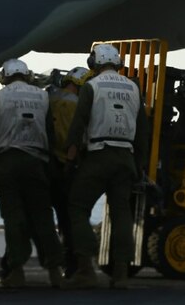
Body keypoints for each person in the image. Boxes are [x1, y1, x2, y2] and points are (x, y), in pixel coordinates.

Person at [66, 43, 148, 289]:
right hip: (126, 158)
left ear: (95, 63)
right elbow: (143, 132)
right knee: (122, 212)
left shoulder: (91, 86)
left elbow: (78, 125)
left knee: (77, 206)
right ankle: (121, 274)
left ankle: (85, 269)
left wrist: (69, 161)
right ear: (118, 63)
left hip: (98, 156)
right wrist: (139, 167)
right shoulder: (134, 88)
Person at [0, 58, 64, 288]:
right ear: (26, 76)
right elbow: (50, 134)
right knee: (43, 218)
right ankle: (55, 271)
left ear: (5, 77)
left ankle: (16, 272)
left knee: (14, 219)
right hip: (37, 163)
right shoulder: (43, 97)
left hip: (7, 164)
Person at [48, 65, 88, 277]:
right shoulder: (75, 105)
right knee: (68, 219)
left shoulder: (51, 98)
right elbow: (74, 138)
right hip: (66, 166)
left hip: (48, 164)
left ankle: (54, 266)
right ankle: (71, 265)